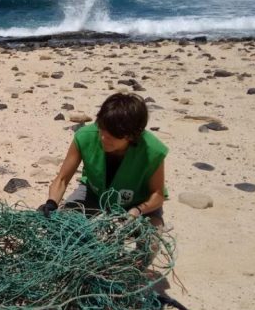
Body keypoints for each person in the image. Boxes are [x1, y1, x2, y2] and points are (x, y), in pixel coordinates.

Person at [39, 92, 168, 229]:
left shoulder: (153, 151)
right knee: (64, 227)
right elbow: (62, 179)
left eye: (112, 137)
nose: (103, 139)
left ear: (132, 135)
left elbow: (158, 194)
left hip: (137, 203)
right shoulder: (85, 137)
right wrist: (51, 204)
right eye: (101, 130)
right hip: (95, 193)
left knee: (150, 243)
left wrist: (138, 210)